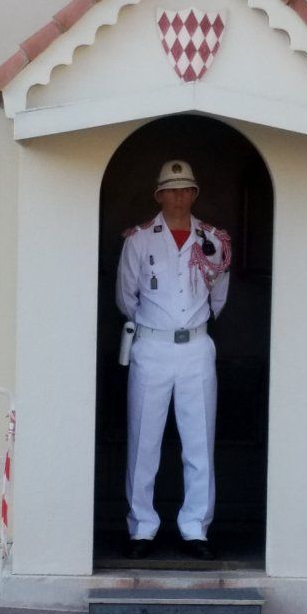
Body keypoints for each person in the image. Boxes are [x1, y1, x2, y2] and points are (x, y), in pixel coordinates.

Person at [115, 160, 231, 561]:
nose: (179, 196)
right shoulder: (140, 239)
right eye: (172, 189)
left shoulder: (213, 240)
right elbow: (126, 297)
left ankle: (195, 526)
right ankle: (141, 527)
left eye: (186, 189)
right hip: (152, 345)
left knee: (198, 441)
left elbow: (219, 298)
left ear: (194, 194)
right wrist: (154, 327)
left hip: (196, 346)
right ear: (159, 194)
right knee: (144, 440)